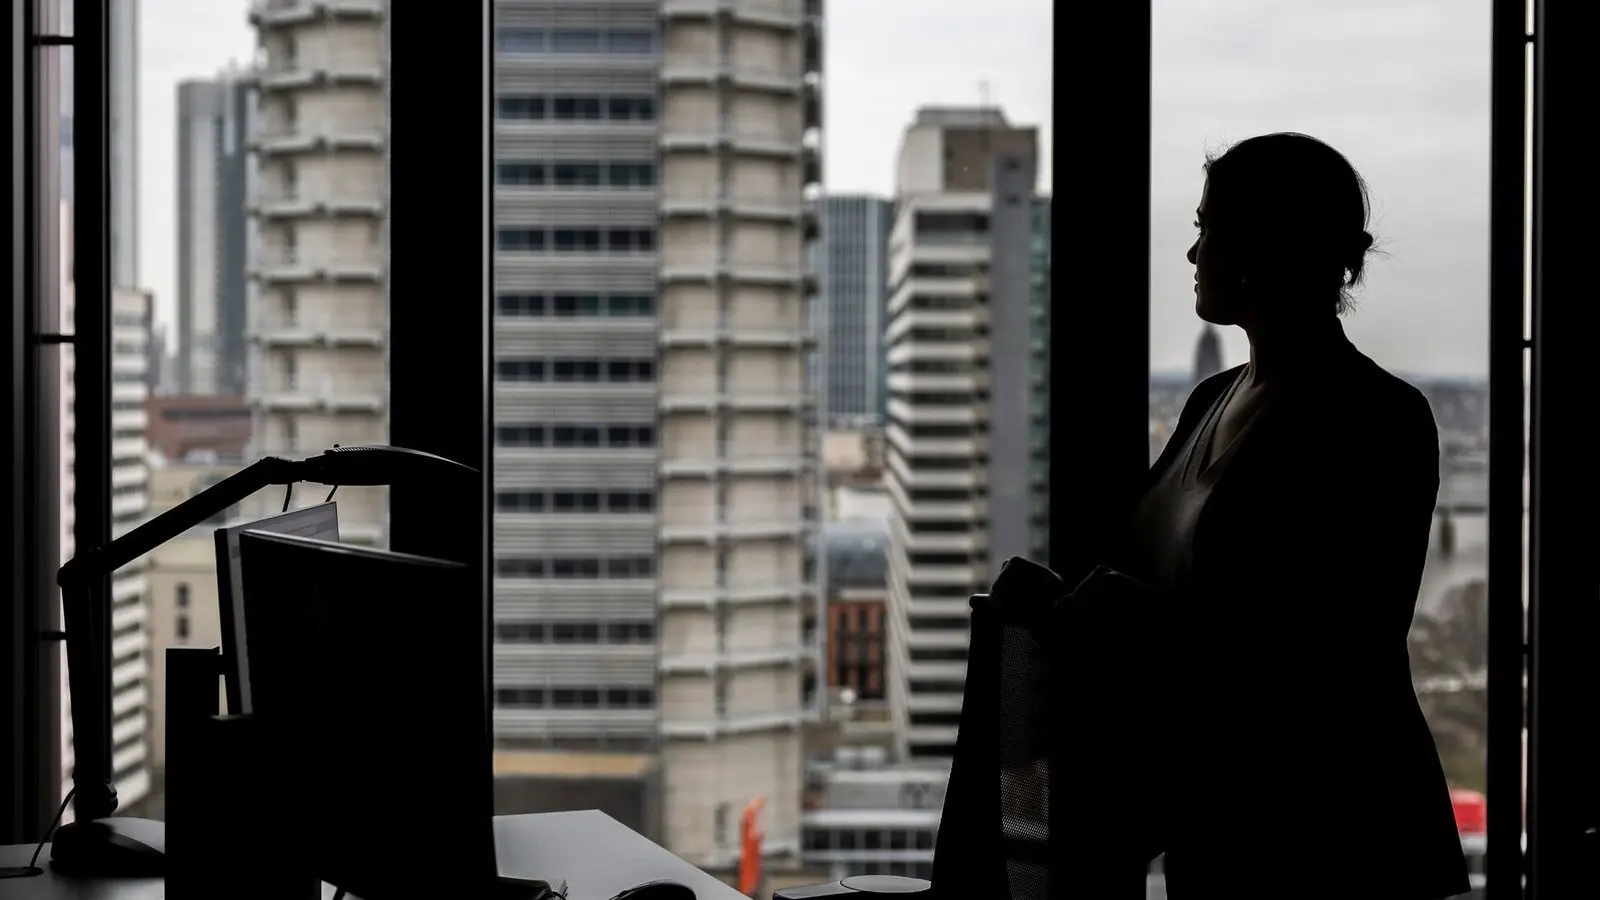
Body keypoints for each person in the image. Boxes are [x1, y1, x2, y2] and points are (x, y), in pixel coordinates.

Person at [1112, 132, 1470, 897]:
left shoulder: (1376, 418)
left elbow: (1332, 648)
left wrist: (1129, 614)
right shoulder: (1211, 399)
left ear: (1261, 248)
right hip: (1220, 823)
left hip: (1331, 834)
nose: (1193, 253)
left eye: (1207, 229)